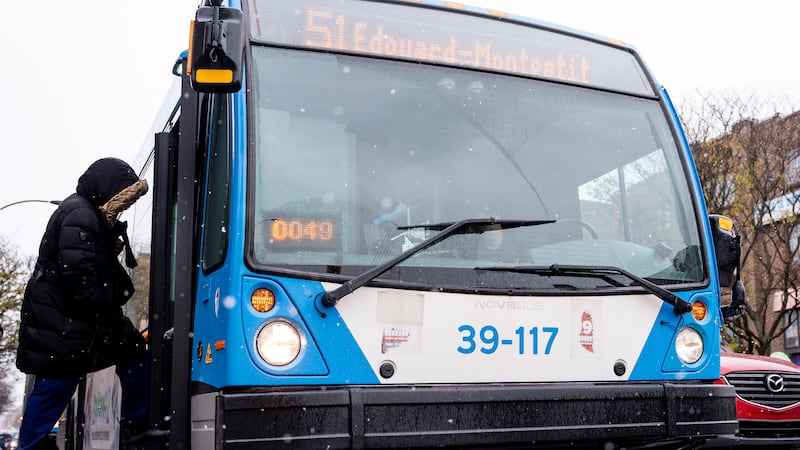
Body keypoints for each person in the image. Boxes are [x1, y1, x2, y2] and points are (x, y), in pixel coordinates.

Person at [15, 158, 165, 449]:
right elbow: (80, 281)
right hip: (65, 328)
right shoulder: (80, 215)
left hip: (67, 325)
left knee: (128, 352)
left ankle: (138, 431)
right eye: (122, 199)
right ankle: (137, 431)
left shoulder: (83, 214)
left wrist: (106, 244)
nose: (123, 207)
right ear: (108, 191)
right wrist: (110, 312)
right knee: (56, 385)